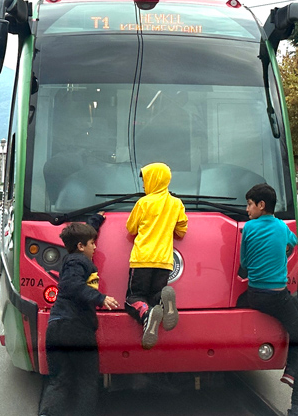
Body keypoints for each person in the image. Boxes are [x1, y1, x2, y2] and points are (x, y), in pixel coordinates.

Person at [240, 183, 298, 416]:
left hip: (254, 295)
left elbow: (244, 264)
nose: (247, 209)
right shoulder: (281, 228)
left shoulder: (248, 228)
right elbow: (293, 243)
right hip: (275, 298)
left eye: (250, 204)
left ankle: (291, 370)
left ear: (261, 205)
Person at [38, 213, 119, 416]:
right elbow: (70, 285)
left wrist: (95, 220)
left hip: (56, 328)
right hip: (76, 328)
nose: (95, 247)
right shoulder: (78, 262)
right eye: (92, 243)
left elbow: (81, 236)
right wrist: (100, 298)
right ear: (82, 246)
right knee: (87, 379)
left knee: (59, 379)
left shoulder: (73, 256)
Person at [125, 162, 188, 349]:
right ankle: (162, 299)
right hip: (164, 261)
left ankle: (145, 314)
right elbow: (182, 230)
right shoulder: (176, 204)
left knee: (133, 298)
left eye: (145, 181)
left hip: (143, 258)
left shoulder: (143, 203)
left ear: (153, 180)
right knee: (153, 296)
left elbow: (130, 227)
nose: (144, 186)